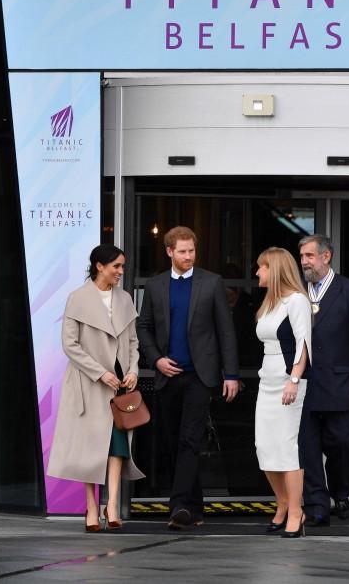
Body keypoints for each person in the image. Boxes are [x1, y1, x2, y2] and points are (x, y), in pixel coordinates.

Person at [137, 225, 239, 528]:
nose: (188, 256)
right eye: (182, 251)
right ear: (169, 251)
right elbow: (143, 327)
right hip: (168, 375)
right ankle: (195, 507)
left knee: (189, 440)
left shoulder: (211, 283)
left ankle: (179, 506)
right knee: (172, 442)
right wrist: (156, 360)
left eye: (192, 250)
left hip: (200, 375)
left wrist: (230, 374)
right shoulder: (155, 285)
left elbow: (225, 331)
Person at [48, 244, 144, 532]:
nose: (120, 272)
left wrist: (133, 370)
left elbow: (132, 342)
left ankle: (112, 504)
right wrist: (100, 373)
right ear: (99, 266)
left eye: (122, 266)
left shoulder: (125, 299)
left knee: (116, 448)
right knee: (89, 450)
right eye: (116, 266)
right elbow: (70, 345)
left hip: (120, 385)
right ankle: (91, 506)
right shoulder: (77, 298)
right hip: (89, 383)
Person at [298, 234, 349, 526]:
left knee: (341, 442)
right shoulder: (297, 291)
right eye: (302, 256)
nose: (304, 262)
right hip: (306, 383)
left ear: (325, 257)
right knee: (308, 446)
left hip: (342, 382)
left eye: (309, 256)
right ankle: (318, 504)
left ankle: (340, 490)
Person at [254, 247, 312, 538]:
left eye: (261, 267)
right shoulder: (269, 303)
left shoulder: (297, 301)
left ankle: (296, 512)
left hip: (289, 383)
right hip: (267, 383)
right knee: (265, 447)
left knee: (287, 448)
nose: (257, 273)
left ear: (274, 269)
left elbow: (303, 343)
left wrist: (294, 379)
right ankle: (283, 503)